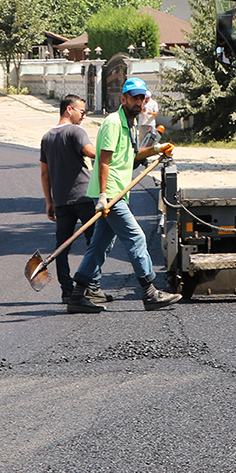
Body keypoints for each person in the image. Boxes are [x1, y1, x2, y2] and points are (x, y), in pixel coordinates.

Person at [68, 78, 182, 313]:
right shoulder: (112, 123)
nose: (139, 102)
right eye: (134, 97)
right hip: (110, 194)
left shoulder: (129, 124)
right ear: (123, 99)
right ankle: (150, 293)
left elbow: (134, 156)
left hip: (117, 192)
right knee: (137, 237)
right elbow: (104, 161)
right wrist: (102, 196)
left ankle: (78, 295)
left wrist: (158, 149)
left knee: (100, 245)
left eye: (142, 98)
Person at [39, 95, 106, 307]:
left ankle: (67, 291)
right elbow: (90, 152)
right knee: (95, 243)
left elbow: (44, 173)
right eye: (82, 112)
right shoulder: (76, 131)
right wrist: (107, 152)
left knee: (62, 247)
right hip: (84, 197)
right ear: (69, 110)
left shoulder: (47, 137)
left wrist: (49, 202)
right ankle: (92, 288)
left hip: (61, 202)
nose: (84, 116)